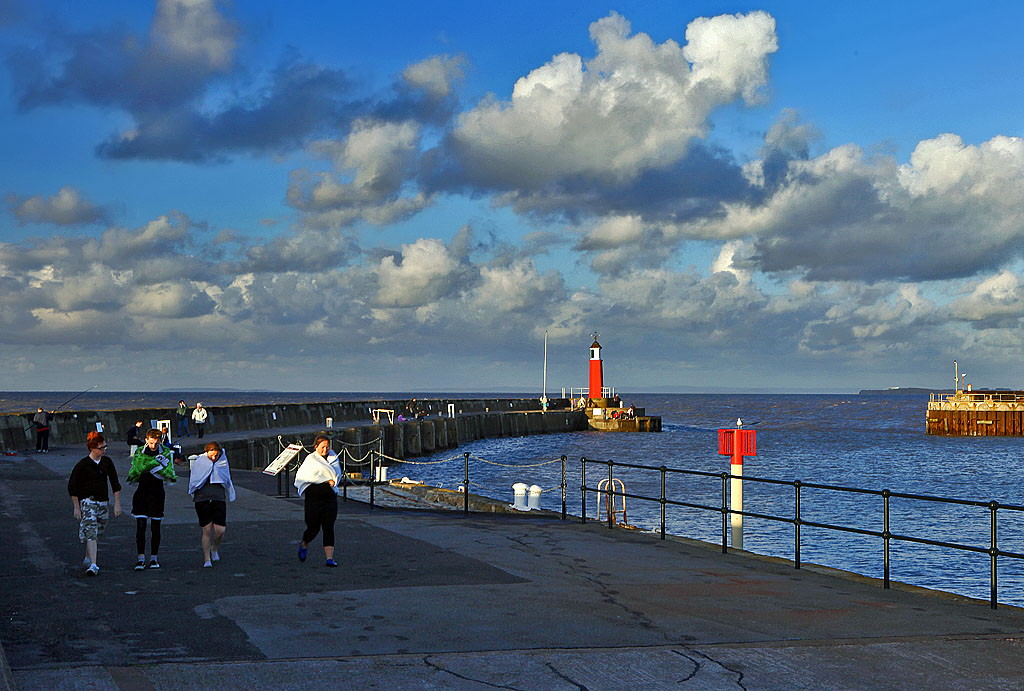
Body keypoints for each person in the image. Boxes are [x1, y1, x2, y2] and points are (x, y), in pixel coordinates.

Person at [67, 432, 122, 576]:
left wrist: (117, 503)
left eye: (105, 447)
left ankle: (88, 556)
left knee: (98, 531)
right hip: (87, 501)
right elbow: (72, 486)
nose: (104, 450)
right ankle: (93, 565)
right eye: (101, 448)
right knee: (91, 531)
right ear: (93, 448)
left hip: (103, 501)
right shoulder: (83, 465)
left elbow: (115, 483)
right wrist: (77, 507)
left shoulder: (107, 462)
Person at [127, 428, 178, 570]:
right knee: (141, 526)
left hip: (157, 493)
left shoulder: (166, 453)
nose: (153, 446)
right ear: (146, 440)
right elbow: (134, 471)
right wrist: (150, 465)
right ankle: (140, 558)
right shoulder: (139, 452)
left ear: (160, 441)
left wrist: (155, 466)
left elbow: (169, 472)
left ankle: (154, 558)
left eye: (156, 443)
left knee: (156, 527)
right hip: (142, 492)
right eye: (150, 443)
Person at [294, 434, 341, 567]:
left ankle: (329, 559)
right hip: (313, 497)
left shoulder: (333, 458)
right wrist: (325, 480)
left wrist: (332, 482)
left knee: (328, 526)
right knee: (313, 527)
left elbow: (337, 475)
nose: (325, 450)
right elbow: (303, 477)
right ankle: (304, 543)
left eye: (327, 447)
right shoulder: (311, 460)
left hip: (330, 498)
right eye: (322, 447)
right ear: (316, 447)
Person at [188, 441, 236, 568]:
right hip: (202, 499)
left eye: (216, 455)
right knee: (207, 529)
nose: (213, 458)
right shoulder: (200, 461)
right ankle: (207, 558)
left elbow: (226, 477)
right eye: (211, 456)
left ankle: (214, 548)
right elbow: (195, 479)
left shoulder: (222, 461)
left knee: (220, 530)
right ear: (206, 453)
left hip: (218, 497)